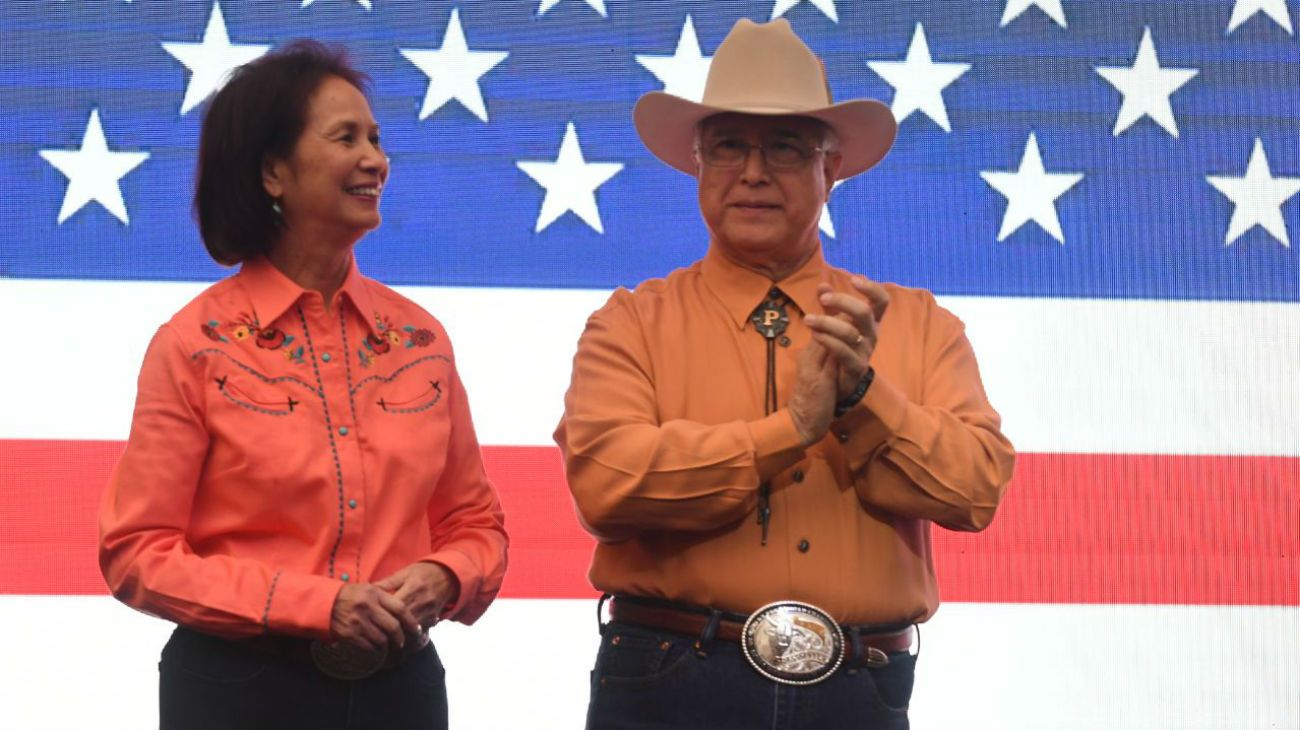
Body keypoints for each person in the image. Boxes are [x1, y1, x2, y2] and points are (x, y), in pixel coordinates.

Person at [554, 18, 1015, 730]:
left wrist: (864, 395)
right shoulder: (630, 323)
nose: (754, 172)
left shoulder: (919, 325)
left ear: (832, 169)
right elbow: (608, 487)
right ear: (698, 165)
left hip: (860, 689)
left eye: (786, 150)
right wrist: (791, 429)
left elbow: (975, 489)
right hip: (668, 679)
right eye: (730, 146)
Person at [98, 40, 508, 730]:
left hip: (399, 686)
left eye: (377, 139)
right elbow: (138, 553)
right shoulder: (194, 344)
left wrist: (447, 577)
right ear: (272, 172)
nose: (376, 160)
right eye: (346, 138)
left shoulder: (422, 339)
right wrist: (314, 604)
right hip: (238, 688)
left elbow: (477, 527)